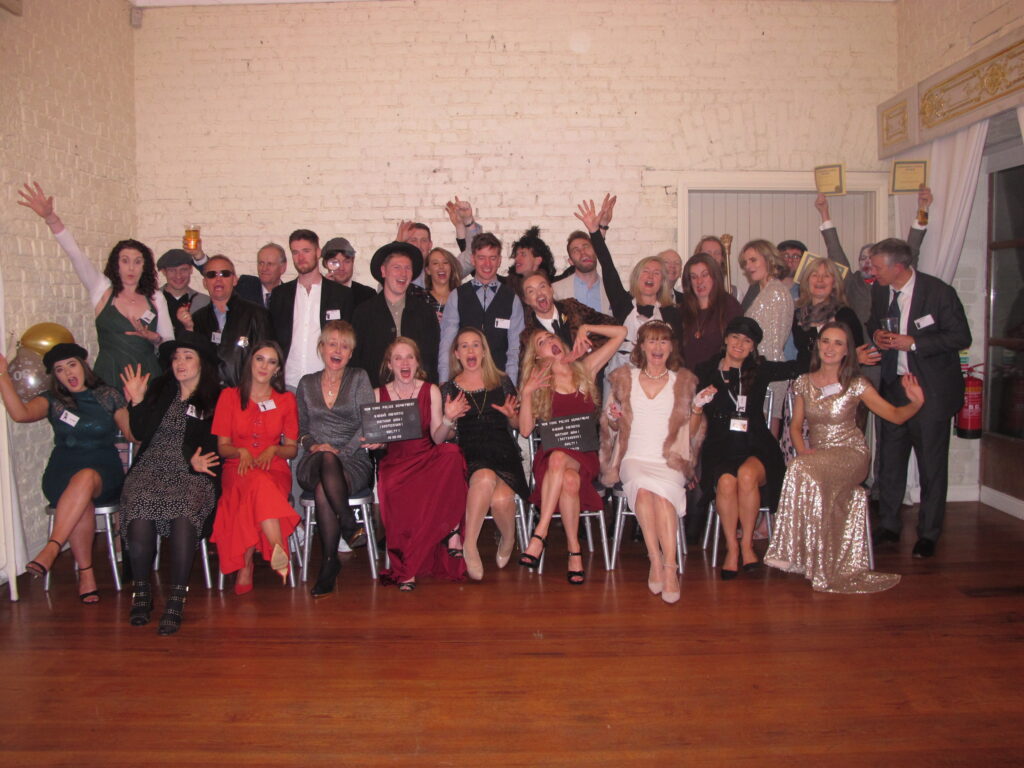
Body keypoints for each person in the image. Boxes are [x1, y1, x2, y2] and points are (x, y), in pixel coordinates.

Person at [765, 322, 925, 593]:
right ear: (818, 345)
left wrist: (916, 403)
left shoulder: (856, 384)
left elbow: (895, 416)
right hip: (818, 456)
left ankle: (788, 551)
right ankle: (808, 557)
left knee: (800, 468)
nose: (830, 348)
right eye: (826, 341)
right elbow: (795, 426)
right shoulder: (804, 381)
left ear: (846, 351)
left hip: (851, 454)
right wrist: (802, 450)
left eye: (838, 343)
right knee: (802, 467)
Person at [0, 343, 129, 603]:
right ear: (55, 376)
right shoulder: (52, 400)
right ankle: (86, 575)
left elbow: (133, 435)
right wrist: (2, 375)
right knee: (81, 500)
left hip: (104, 472)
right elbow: (20, 414)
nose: (68, 372)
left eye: (72, 364)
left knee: (86, 478)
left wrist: (136, 400)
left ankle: (52, 548)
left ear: (83, 365)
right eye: (59, 369)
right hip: (62, 472)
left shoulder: (109, 395)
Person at [867, 238, 971, 558]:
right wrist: (877, 336)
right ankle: (889, 524)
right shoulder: (880, 291)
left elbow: (960, 336)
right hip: (894, 388)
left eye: (877, 267)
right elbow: (873, 323)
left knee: (931, 466)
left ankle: (928, 533)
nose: (872, 272)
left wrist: (913, 343)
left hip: (930, 392)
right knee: (890, 461)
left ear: (898, 267)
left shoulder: (938, 293)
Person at [18, 182, 173, 385]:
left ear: (145, 266)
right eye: (125, 261)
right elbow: (75, 254)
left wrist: (154, 338)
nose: (131, 268)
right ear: (116, 264)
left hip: (148, 375)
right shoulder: (102, 288)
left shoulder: (155, 296)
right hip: (110, 374)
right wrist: (51, 218)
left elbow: (169, 343)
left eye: (137, 262)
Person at [119, 333, 221, 634]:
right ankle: (142, 591)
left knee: (184, 510)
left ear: (202, 363)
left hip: (193, 470)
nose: (180, 363)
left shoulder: (217, 397)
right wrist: (137, 401)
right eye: (176, 357)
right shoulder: (160, 390)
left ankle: (176, 598)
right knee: (138, 503)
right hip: (151, 466)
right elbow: (140, 433)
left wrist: (198, 460)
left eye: (188, 357)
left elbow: (218, 439)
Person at [693, 317, 807, 580]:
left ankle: (747, 545)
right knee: (726, 482)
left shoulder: (760, 369)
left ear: (753, 347)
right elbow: (692, 410)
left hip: (756, 445)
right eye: (735, 337)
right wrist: (698, 403)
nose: (739, 344)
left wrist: (840, 356)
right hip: (720, 447)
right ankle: (732, 548)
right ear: (725, 339)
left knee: (746, 476)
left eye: (747, 341)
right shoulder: (705, 370)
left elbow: (799, 367)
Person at [600, 321, 704, 604]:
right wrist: (613, 417)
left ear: (671, 347)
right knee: (644, 490)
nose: (658, 347)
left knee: (663, 497)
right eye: (652, 341)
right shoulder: (624, 378)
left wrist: (696, 409)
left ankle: (669, 567)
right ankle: (655, 560)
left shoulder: (682, 381)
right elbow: (611, 425)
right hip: (634, 455)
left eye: (663, 341)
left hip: (669, 458)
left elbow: (691, 433)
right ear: (642, 347)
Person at [517, 322, 627, 583]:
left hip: (583, 454)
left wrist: (585, 328)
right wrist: (527, 392)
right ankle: (574, 550)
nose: (549, 342)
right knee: (567, 478)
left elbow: (621, 334)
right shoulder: (538, 382)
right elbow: (525, 430)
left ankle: (540, 533)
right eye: (541, 342)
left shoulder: (584, 368)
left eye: (551, 337)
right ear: (537, 356)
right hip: (550, 459)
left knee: (562, 463)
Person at [375, 338, 468, 591]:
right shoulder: (378, 394)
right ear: (390, 364)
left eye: (410, 357)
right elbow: (379, 440)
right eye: (398, 358)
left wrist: (448, 419)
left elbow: (438, 438)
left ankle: (452, 531)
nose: (404, 363)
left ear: (417, 363)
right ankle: (407, 568)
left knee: (452, 453)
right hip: (396, 464)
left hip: (427, 457)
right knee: (392, 487)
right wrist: (374, 442)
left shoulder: (431, 390)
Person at [294, 321, 375, 597]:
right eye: (332, 344)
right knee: (326, 460)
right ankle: (348, 524)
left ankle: (330, 563)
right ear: (322, 348)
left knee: (324, 487)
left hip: (352, 460)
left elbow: (367, 423)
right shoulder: (306, 384)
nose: (338, 350)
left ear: (351, 353)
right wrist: (315, 446)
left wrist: (344, 452)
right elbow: (300, 430)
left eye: (345, 346)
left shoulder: (359, 377)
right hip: (313, 460)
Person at [210, 342, 299, 593]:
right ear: (250, 361)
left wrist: (274, 450)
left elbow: (292, 449)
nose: (264, 366)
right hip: (237, 468)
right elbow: (222, 447)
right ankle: (277, 546)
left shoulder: (286, 400)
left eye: (271, 362)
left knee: (259, 485)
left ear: (277, 369)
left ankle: (246, 565)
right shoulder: (229, 397)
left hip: (274, 468)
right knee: (256, 484)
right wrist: (241, 451)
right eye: (260, 359)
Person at [439, 328, 527, 581]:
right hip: (470, 451)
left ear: (484, 351)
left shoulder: (502, 381)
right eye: (464, 346)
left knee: (501, 500)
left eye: (475, 345)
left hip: (503, 450)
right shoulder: (448, 388)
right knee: (485, 477)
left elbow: (519, 425)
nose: (470, 350)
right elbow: (444, 436)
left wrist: (511, 416)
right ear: (457, 354)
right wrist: (449, 418)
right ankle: (469, 545)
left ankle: (508, 539)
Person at [574, 198, 682, 375]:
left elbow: (678, 354)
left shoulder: (672, 313)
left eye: (656, 273)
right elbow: (607, 266)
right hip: (620, 379)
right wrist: (594, 231)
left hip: (658, 381)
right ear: (637, 277)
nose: (650, 276)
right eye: (646, 271)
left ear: (662, 281)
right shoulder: (622, 303)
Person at [814, 189, 931, 326]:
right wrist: (824, 213)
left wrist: (923, 209)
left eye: (871, 259)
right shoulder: (852, 283)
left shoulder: (893, 280)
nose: (867, 263)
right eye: (863, 258)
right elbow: (834, 250)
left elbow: (913, 246)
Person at [269, 229, 353, 390]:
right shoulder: (280, 295)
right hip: (287, 383)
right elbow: (273, 339)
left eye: (306, 251)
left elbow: (347, 341)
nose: (300, 258)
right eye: (295, 252)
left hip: (326, 383)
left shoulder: (341, 295)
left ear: (318, 252)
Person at [438, 233, 525, 383]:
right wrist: (444, 383)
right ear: (473, 259)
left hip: (499, 380)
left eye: (492, 258)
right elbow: (447, 345)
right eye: (481, 258)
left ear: (499, 261)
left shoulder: (512, 299)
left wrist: (510, 385)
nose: (487, 264)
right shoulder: (457, 296)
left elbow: (514, 349)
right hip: (464, 381)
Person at [176, 254, 274, 387]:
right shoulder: (197, 319)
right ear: (205, 283)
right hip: (208, 393)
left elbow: (269, 360)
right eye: (211, 275)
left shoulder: (257, 314)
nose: (218, 279)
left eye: (225, 274)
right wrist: (188, 329)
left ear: (234, 280)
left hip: (245, 393)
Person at [352, 241, 440, 387]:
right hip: (375, 392)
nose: (403, 273)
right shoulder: (363, 313)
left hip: (417, 392)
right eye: (396, 267)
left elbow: (433, 358)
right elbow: (356, 360)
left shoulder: (425, 311)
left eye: (407, 268)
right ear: (383, 271)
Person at [739, 239, 794, 430]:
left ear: (769, 259)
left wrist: (760, 375)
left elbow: (773, 342)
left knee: (765, 432)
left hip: (767, 372)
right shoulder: (764, 290)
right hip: (758, 371)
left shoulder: (776, 292)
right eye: (746, 262)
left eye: (753, 260)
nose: (748, 266)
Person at [519, 273, 616, 362]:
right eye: (531, 291)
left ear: (551, 289)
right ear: (526, 300)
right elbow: (528, 368)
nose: (539, 293)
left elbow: (611, 323)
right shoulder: (528, 336)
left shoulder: (572, 307)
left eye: (542, 286)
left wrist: (588, 341)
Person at [791, 256, 872, 362]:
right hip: (804, 371)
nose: (820, 280)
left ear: (834, 283)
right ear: (807, 281)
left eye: (826, 276)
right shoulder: (799, 315)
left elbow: (856, 355)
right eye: (815, 275)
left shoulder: (845, 315)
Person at [678, 252, 743, 370]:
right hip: (689, 378)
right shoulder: (683, 309)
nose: (699, 281)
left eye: (705, 275)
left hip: (719, 377)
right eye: (694, 277)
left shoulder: (730, 307)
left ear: (715, 277)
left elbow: (737, 349)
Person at [552, 193, 615, 314]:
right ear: (570, 261)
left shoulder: (611, 291)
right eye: (575, 250)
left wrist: (602, 226)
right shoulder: (556, 291)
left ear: (596, 252)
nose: (583, 252)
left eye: (586, 247)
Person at [158, 248, 209, 336]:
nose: (178, 276)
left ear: (191, 270)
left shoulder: (205, 302)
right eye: (172, 270)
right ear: (164, 272)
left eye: (183, 269)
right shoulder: (151, 299)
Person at [321, 237, 376, 307]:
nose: (341, 268)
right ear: (326, 264)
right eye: (334, 262)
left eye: (347, 262)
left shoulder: (368, 295)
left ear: (353, 262)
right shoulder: (317, 295)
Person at [506, 226, 556, 298]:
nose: (516, 258)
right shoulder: (508, 287)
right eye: (516, 255)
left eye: (523, 254)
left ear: (538, 260)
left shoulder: (554, 285)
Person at [235, 243, 288, 309]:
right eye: (261, 263)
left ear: (282, 268)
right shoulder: (244, 287)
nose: (264, 268)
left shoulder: (289, 297)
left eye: (270, 264)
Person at [692, 235, 738, 300]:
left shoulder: (735, 293)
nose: (713, 257)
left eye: (717, 253)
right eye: (708, 253)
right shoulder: (686, 290)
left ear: (722, 258)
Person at [423, 247, 462, 322]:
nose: (441, 267)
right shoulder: (420, 300)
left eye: (445, 262)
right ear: (428, 270)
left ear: (451, 268)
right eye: (435, 263)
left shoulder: (462, 297)